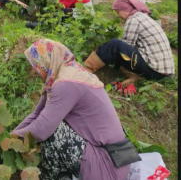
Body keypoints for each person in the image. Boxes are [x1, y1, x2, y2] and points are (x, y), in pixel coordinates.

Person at [11, 39, 130, 180]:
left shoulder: (66, 84)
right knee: (51, 124)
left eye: (36, 65)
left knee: (53, 131)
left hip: (108, 167)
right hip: (116, 158)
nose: (35, 71)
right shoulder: (67, 74)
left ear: (47, 61)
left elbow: (42, 130)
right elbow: (37, 114)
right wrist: (12, 134)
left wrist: (11, 141)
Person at [84, 0, 174, 95]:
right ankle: (135, 76)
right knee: (117, 53)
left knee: (114, 45)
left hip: (155, 70)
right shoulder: (142, 17)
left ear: (125, 9)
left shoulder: (134, 19)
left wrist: (106, 48)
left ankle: (84, 71)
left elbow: (125, 46)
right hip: (163, 72)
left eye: (118, 12)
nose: (118, 15)